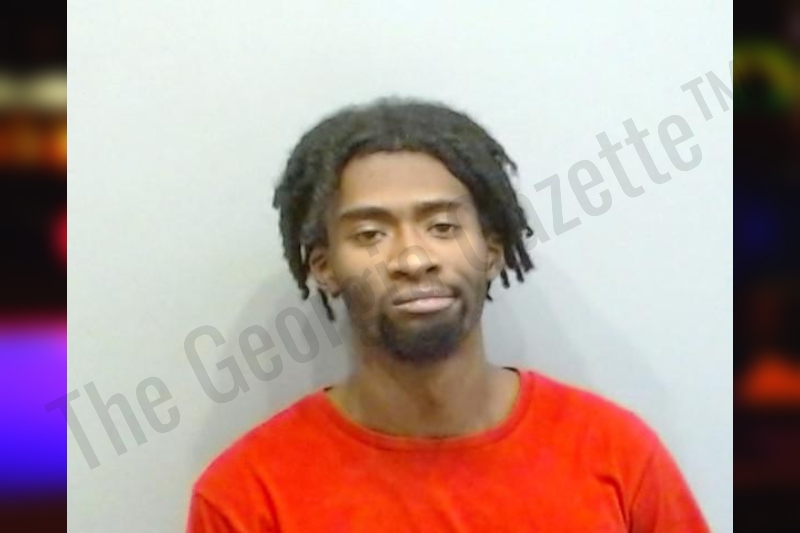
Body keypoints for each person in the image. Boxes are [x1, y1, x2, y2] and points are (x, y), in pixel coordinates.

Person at [187, 98, 710, 532]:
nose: (413, 259)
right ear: (324, 267)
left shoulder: (616, 455)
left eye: (442, 227)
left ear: (492, 250)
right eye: (370, 234)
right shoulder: (247, 494)